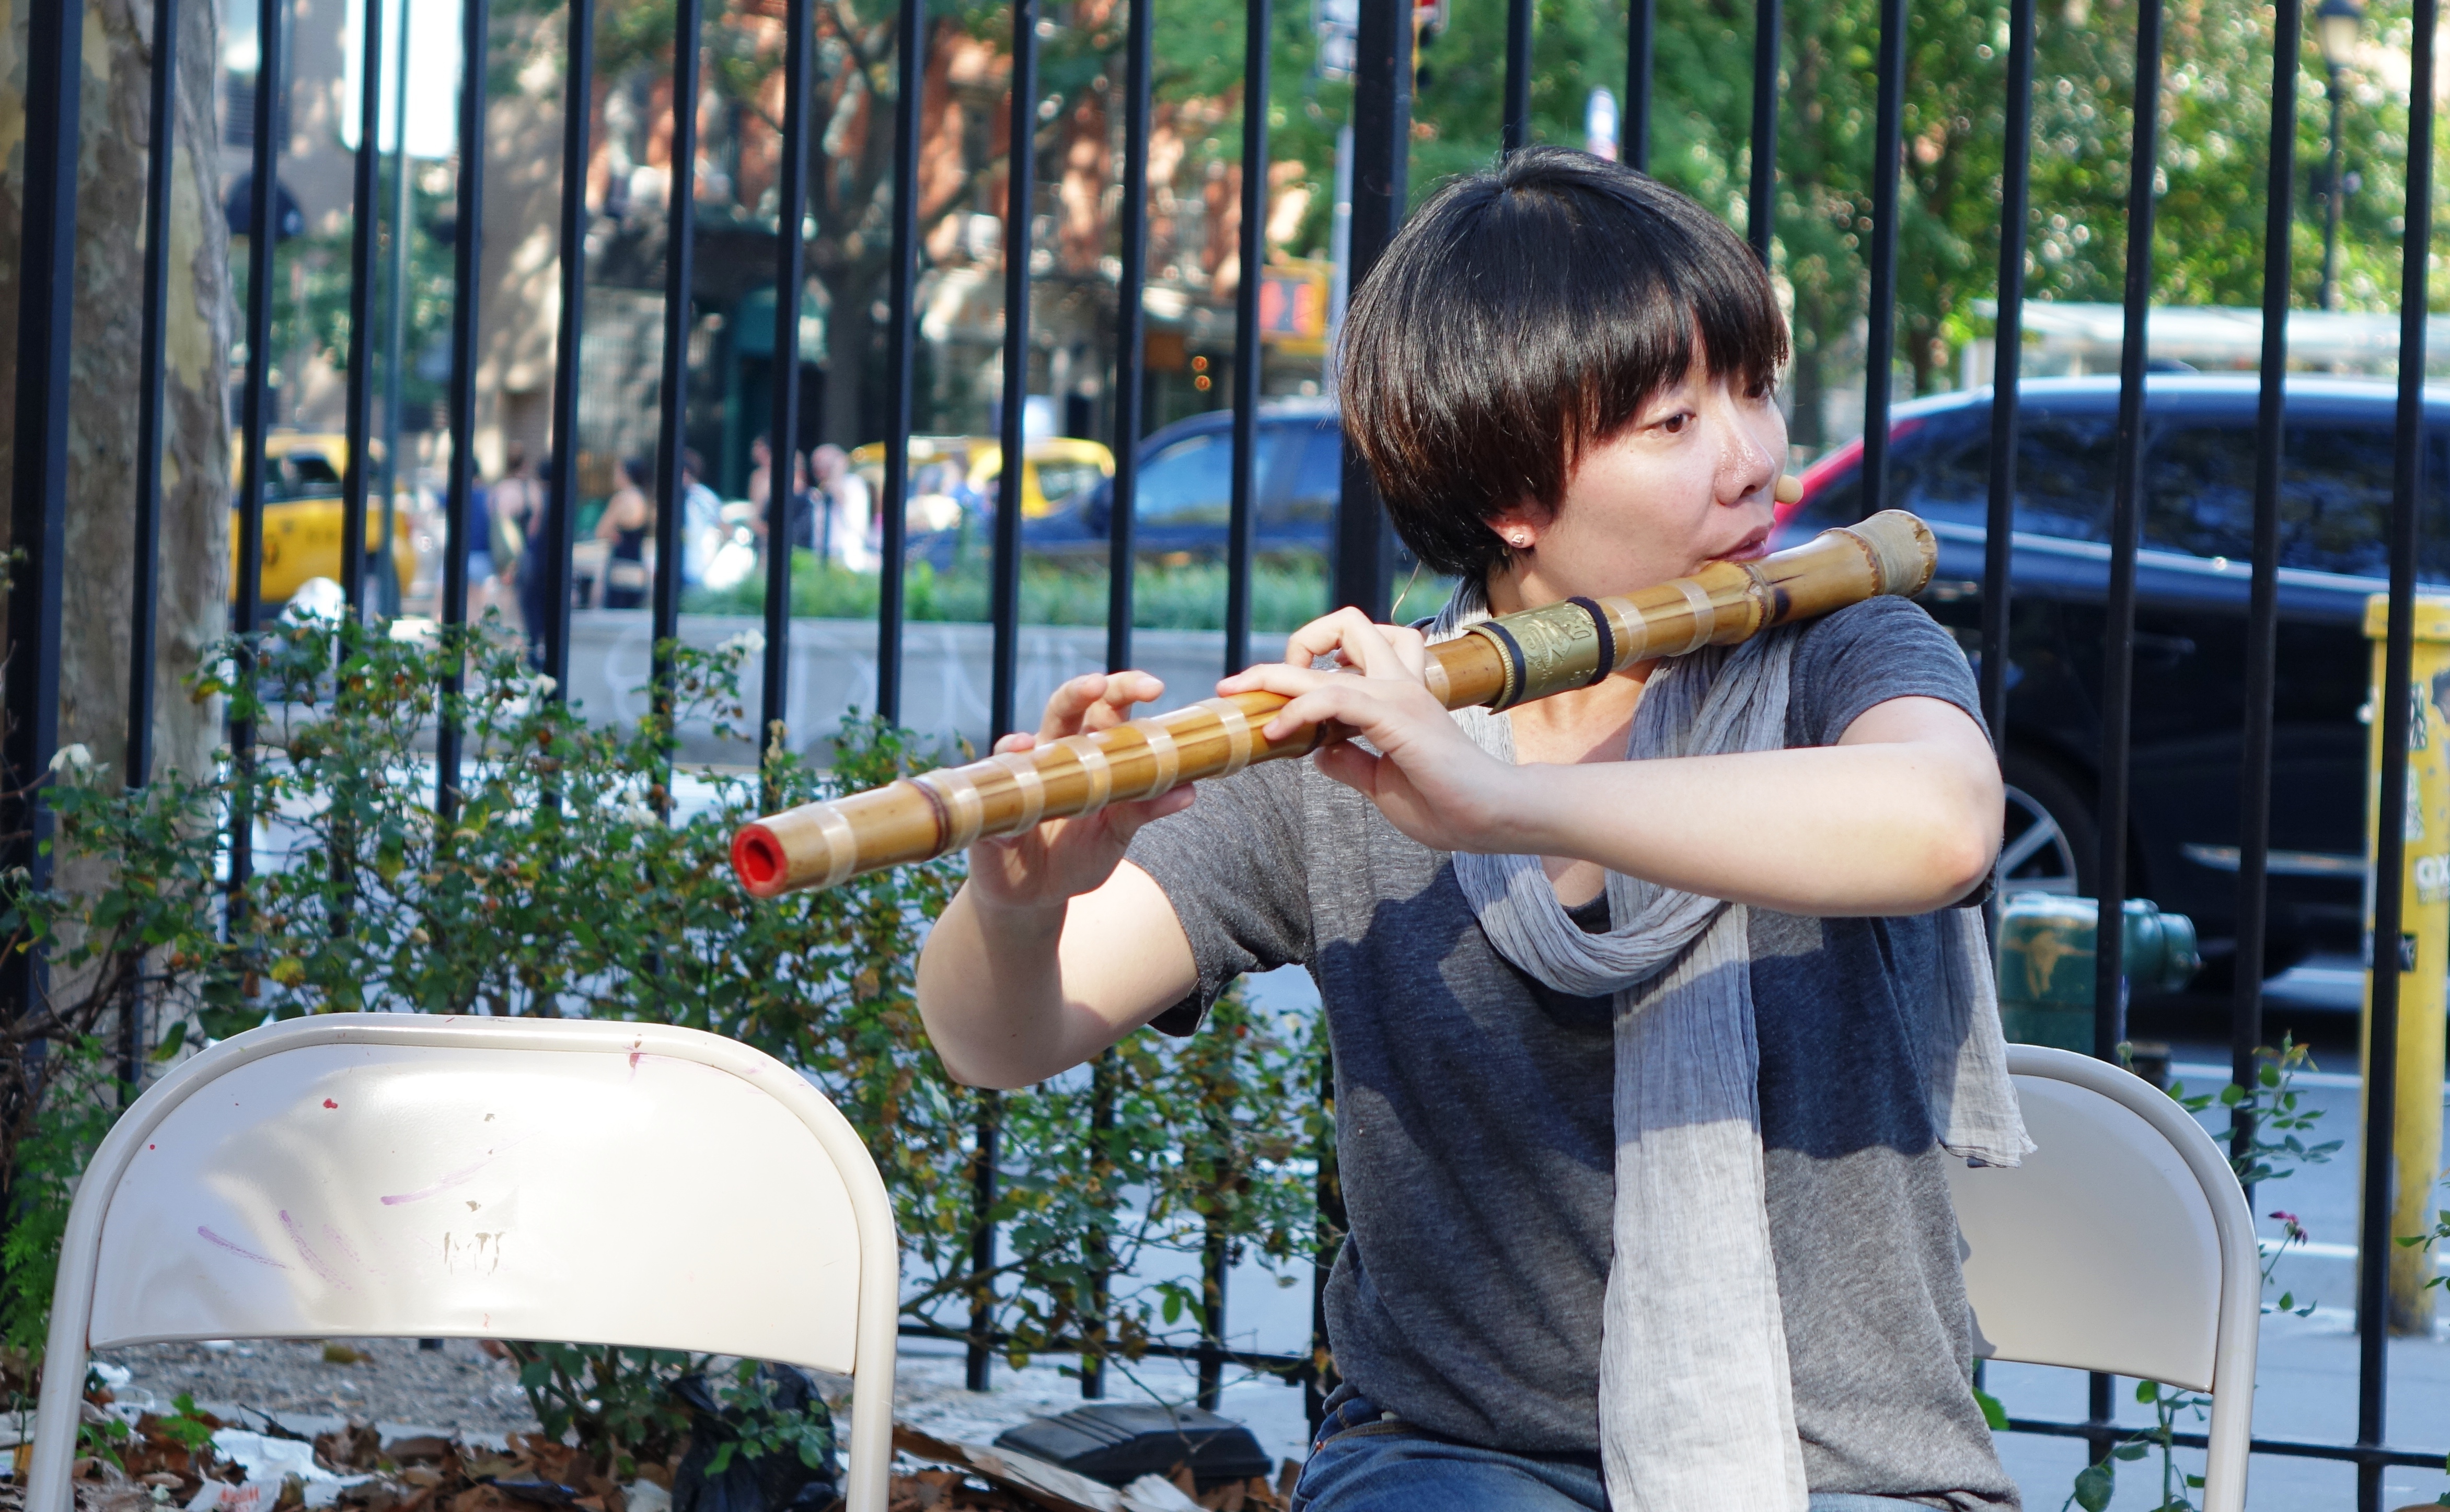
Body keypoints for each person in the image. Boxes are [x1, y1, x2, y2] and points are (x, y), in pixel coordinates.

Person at [915, 148, 2022, 1512]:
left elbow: (1941, 824)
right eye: (1676, 424)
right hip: (1453, 1458)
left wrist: (1499, 801)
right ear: (1511, 490)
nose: (1757, 462)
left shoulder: (1847, 645)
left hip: (1847, 1468)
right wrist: (1020, 905)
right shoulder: (1360, 730)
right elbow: (999, 1038)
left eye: (1755, 390)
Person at [596, 458, 653, 610]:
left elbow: (601, 531)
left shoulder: (622, 499)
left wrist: (613, 533)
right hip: (639, 568)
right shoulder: (645, 498)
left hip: (620, 569)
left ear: (626, 475)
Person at [810, 443, 875, 571]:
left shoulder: (853, 484)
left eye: (823, 465)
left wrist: (837, 473)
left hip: (847, 556)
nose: (819, 472)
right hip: (822, 554)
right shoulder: (819, 491)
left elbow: (846, 505)